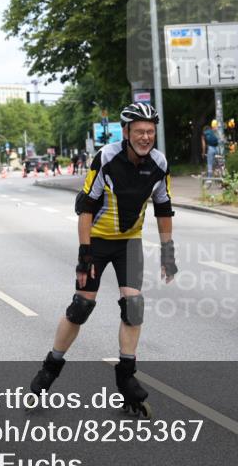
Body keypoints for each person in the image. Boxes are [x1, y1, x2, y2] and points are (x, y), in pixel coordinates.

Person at [29, 102, 177, 417]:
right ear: (126, 133)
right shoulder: (107, 158)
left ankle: (126, 377)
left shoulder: (160, 163)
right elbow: (86, 207)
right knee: (81, 306)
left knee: (134, 306)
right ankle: (50, 368)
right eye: (139, 131)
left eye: (150, 131)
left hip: (129, 243)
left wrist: (168, 250)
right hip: (96, 240)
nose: (145, 137)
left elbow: (163, 209)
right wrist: (85, 256)